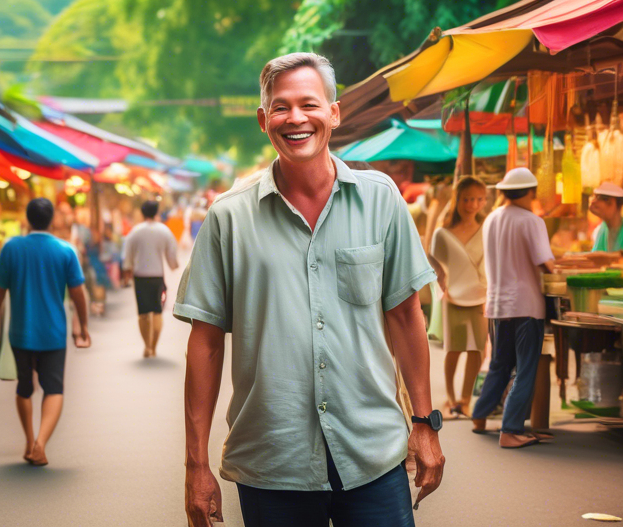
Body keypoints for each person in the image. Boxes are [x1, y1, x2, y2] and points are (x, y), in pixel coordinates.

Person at [176, 53, 444, 527]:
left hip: (373, 455)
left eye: (309, 104)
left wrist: (424, 423)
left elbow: (405, 317)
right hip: (272, 462)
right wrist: (196, 465)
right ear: (264, 121)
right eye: (281, 108)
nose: (296, 119)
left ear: (334, 113)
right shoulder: (229, 217)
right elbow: (206, 344)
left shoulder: (380, 201)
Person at [0, 198, 90, 467]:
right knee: (54, 388)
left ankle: (28, 440)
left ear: (27, 218)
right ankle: (41, 444)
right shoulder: (65, 250)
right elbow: (78, 294)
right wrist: (83, 326)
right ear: (52, 220)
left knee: (24, 387)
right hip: (54, 333)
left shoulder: (11, 248)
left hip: (20, 332)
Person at [471, 167, 556, 449]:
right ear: (530, 192)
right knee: (525, 368)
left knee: (499, 364)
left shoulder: (492, 218)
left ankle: (480, 416)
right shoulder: (532, 221)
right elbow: (546, 262)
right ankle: (510, 430)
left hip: (497, 304)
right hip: (526, 304)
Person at [430, 176, 488, 418]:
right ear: (458, 200)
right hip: (453, 296)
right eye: (467, 199)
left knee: (478, 350)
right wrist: (441, 279)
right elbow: (431, 258)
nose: (472, 204)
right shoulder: (443, 232)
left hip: (482, 296)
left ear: (484, 201)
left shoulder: (488, 228)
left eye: (478, 199)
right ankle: (451, 399)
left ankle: (465, 399)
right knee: (454, 349)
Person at [122, 200, 179, 358]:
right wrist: (173, 265)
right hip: (157, 277)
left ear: (142, 213)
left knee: (143, 313)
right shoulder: (164, 231)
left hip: (140, 277)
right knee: (157, 312)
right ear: (156, 213)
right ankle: (153, 346)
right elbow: (172, 254)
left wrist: (127, 272)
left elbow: (127, 256)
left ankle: (147, 345)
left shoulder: (135, 231)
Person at [589, 181, 623, 254]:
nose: (593, 201)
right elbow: (596, 257)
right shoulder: (602, 228)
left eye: (598, 198)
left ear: (612, 202)